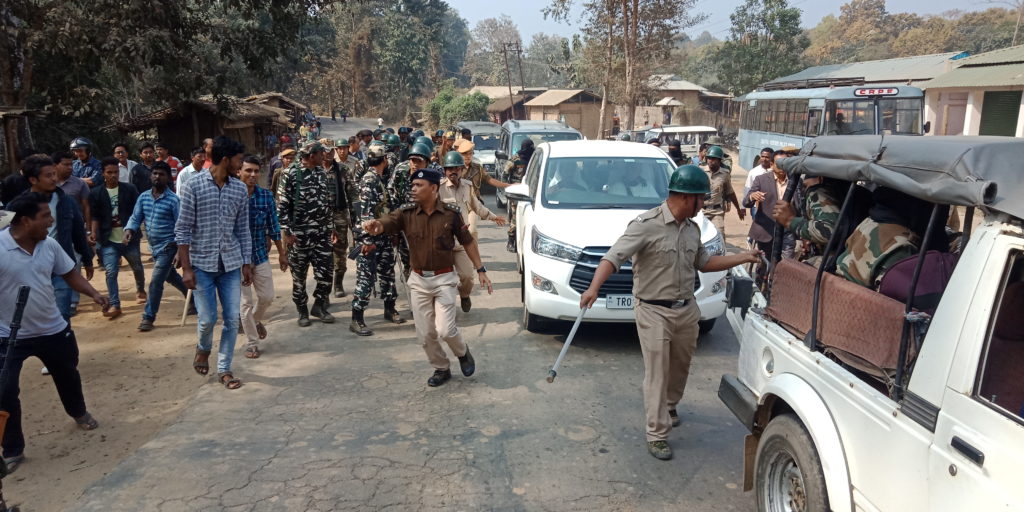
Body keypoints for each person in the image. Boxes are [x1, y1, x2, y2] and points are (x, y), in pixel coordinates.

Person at [579, 165, 759, 460]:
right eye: (700, 199)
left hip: (686, 310)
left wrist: (743, 257)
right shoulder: (645, 225)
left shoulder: (692, 229)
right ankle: (657, 433)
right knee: (657, 372)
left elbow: (705, 263)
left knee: (680, 366)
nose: (703, 205)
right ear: (686, 197)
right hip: (653, 311)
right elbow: (613, 257)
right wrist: (593, 288)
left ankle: (670, 405)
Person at [0, 193, 109, 470]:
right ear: (26, 221)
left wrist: (94, 294)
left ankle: (78, 412)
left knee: (68, 375)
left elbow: (69, 274)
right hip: (8, 336)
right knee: (5, 391)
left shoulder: (49, 245)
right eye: (45, 216)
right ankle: (13, 448)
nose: (51, 222)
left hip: (52, 329)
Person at [362, 168, 493, 387]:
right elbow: (387, 221)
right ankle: (441, 368)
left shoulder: (450, 214)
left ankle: (462, 353)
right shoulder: (406, 213)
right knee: (425, 334)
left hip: (444, 279)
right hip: (419, 281)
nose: (413, 189)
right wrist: (376, 226)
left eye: (418, 185)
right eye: (412, 185)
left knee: (445, 329)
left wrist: (480, 269)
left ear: (433, 188)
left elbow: (467, 241)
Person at [175, 136, 252, 390]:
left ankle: (224, 369)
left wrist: (246, 263)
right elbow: (183, 229)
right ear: (226, 160)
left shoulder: (239, 189)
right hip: (201, 264)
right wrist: (186, 268)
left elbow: (243, 229)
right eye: (239, 160)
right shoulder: (193, 185)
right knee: (207, 319)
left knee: (231, 319)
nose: (241, 165)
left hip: (230, 264)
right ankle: (203, 348)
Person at [14, 155, 95, 321]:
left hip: (60, 267)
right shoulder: (16, 206)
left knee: (62, 314)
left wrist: (87, 260)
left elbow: (78, 234)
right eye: (48, 175)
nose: (54, 179)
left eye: (54, 174)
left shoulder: (67, 202)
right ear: (33, 179)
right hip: (29, 270)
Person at [277, 142, 337, 326]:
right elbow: (282, 205)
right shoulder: (291, 173)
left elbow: (326, 202)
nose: (324, 156)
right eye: (321, 153)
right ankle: (302, 311)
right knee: (299, 277)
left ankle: (319, 306)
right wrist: (287, 232)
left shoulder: (321, 172)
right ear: (312, 155)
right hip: (299, 236)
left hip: (321, 234)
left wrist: (331, 226)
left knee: (326, 273)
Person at [439, 151, 506, 312]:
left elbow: (477, 206)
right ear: (445, 171)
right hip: (443, 243)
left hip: (462, 242)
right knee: (442, 280)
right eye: (450, 169)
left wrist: (493, 217)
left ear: (462, 170)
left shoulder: (467, 187)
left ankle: (464, 295)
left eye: (457, 168)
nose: (453, 172)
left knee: (468, 277)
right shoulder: (438, 188)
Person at [124, 162, 187, 331]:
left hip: (169, 246)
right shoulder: (143, 197)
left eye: (161, 174)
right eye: (155, 173)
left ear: (168, 178)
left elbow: (181, 227)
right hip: (154, 248)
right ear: (150, 176)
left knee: (156, 282)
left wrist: (180, 251)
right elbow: (136, 217)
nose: (157, 177)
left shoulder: (174, 200)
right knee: (171, 276)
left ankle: (148, 317)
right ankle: (193, 298)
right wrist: (129, 230)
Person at [350, 145, 402, 335]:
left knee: (387, 274)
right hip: (370, 239)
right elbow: (365, 214)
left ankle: (390, 309)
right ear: (384, 160)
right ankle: (357, 319)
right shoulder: (369, 180)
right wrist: (367, 241)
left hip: (383, 236)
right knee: (366, 278)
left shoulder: (379, 179)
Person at [239, 155, 287, 358]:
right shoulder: (231, 195)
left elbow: (274, 226)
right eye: (248, 170)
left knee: (267, 297)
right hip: (237, 259)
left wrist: (282, 254)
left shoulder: (265, 196)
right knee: (245, 303)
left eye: (256, 171)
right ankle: (252, 343)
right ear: (239, 172)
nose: (252, 175)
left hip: (259, 254)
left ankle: (255, 320)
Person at [89, 157, 146, 319]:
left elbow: (138, 212)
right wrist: (93, 233)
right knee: (111, 272)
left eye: (116, 172)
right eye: (109, 172)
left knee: (137, 267)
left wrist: (133, 228)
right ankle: (115, 304)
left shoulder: (130, 189)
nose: (113, 175)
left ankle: (140, 290)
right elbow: (95, 216)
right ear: (103, 174)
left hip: (130, 238)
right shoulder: (96, 193)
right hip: (108, 239)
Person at [744, 150, 796, 284]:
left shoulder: (795, 181)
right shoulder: (761, 179)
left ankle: (779, 290)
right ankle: (761, 289)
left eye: (786, 164)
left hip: (787, 232)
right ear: (772, 164)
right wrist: (752, 196)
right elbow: (746, 201)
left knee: (787, 266)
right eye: (779, 164)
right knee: (764, 266)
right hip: (766, 232)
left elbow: (801, 207)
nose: (783, 167)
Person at [772, 175, 842, 264]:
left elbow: (828, 231)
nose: (804, 191)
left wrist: (791, 221)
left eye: (805, 186)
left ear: (820, 179)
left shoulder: (819, 193)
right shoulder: (841, 193)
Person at [322, 139, 358, 299]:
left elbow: (353, 195)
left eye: (331, 150)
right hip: (320, 219)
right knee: (323, 254)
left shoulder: (343, 170)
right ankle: (324, 288)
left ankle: (338, 283)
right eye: (326, 150)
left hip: (340, 217)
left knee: (340, 252)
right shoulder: (315, 171)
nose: (329, 153)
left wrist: (356, 219)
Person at [701, 146, 744, 236]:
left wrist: (738, 209)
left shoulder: (725, 174)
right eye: (709, 158)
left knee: (719, 236)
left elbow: (730, 192)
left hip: (717, 212)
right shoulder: (700, 172)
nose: (711, 161)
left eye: (714, 159)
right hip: (701, 211)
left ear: (720, 160)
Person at [743, 147, 774, 217]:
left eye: (767, 157)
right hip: (756, 208)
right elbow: (748, 189)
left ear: (772, 158)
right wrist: (743, 207)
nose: (764, 159)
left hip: (771, 207)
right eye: (762, 156)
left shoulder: (776, 172)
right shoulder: (753, 172)